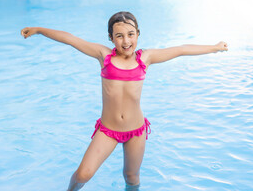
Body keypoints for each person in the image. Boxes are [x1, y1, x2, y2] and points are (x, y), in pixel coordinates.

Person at [20, 11, 228, 191]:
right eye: (119, 36)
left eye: (131, 34)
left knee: (132, 177)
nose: (126, 41)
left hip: (136, 131)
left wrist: (214, 47)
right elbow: (71, 39)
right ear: (111, 38)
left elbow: (181, 49)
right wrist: (38, 29)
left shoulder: (145, 58)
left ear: (138, 34)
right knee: (83, 174)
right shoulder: (104, 56)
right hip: (108, 131)